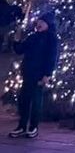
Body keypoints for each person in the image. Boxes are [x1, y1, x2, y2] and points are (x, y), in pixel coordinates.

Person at [9, 11, 59, 139]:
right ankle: (21, 126)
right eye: (38, 22)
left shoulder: (51, 39)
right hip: (28, 73)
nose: (38, 24)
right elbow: (20, 50)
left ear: (48, 24)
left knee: (36, 101)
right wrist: (16, 40)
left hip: (39, 75)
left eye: (42, 22)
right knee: (24, 100)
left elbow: (52, 57)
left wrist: (47, 74)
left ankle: (33, 127)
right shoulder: (33, 37)